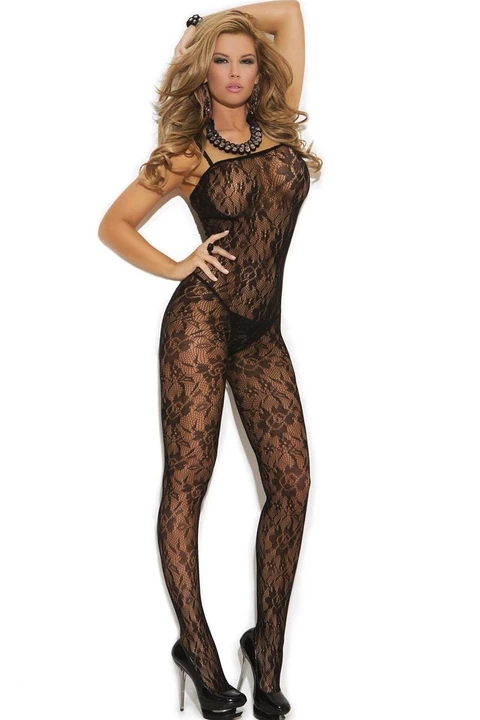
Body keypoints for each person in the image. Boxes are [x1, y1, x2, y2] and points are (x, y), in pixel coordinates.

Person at [98, 3, 322, 719]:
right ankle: (196, 649)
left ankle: (267, 648)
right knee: (188, 485)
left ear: (260, 72)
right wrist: (177, 265)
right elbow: (114, 224)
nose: (234, 72)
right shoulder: (187, 153)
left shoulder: (279, 122)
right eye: (219, 60)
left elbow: (288, 11)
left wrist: (211, 22)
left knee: (292, 483)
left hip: (262, 332)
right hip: (200, 322)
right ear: (202, 74)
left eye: (245, 60)